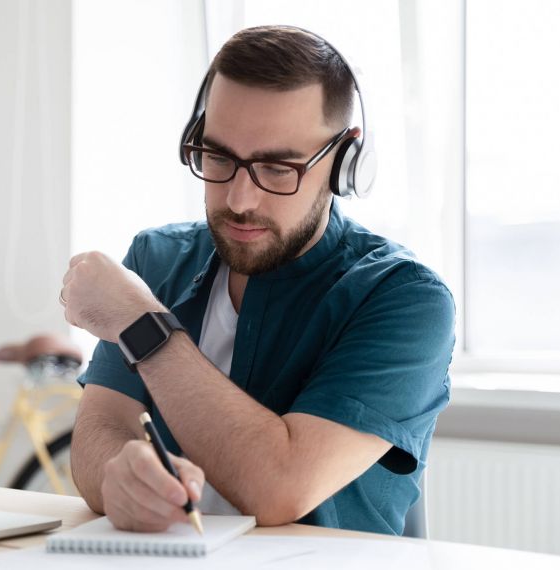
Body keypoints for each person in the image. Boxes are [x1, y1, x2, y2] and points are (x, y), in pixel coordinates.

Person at [59, 25, 454, 535]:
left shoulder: (403, 299)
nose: (241, 200)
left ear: (344, 162)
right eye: (219, 157)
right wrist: (116, 477)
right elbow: (100, 431)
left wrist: (142, 323)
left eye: (277, 167)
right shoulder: (156, 260)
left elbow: (278, 486)